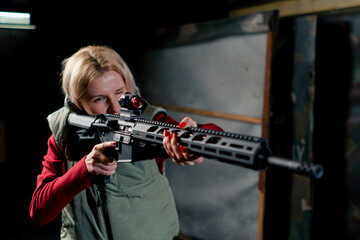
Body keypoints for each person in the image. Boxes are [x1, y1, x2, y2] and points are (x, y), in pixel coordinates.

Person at [29, 45, 222, 240]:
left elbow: (212, 133)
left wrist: (196, 144)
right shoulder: (64, 133)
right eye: (99, 99)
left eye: (120, 92)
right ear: (79, 102)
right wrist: (84, 170)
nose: (115, 107)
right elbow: (39, 212)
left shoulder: (149, 120)